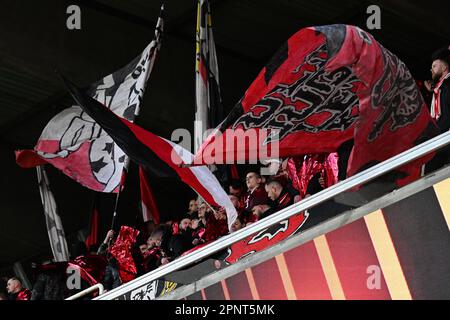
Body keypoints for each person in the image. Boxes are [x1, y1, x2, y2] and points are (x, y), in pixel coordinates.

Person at [424, 47, 450, 173]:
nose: (431, 70)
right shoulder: (440, 87)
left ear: (444, 68)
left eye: (434, 66)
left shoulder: (447, 85)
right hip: (441, 138)